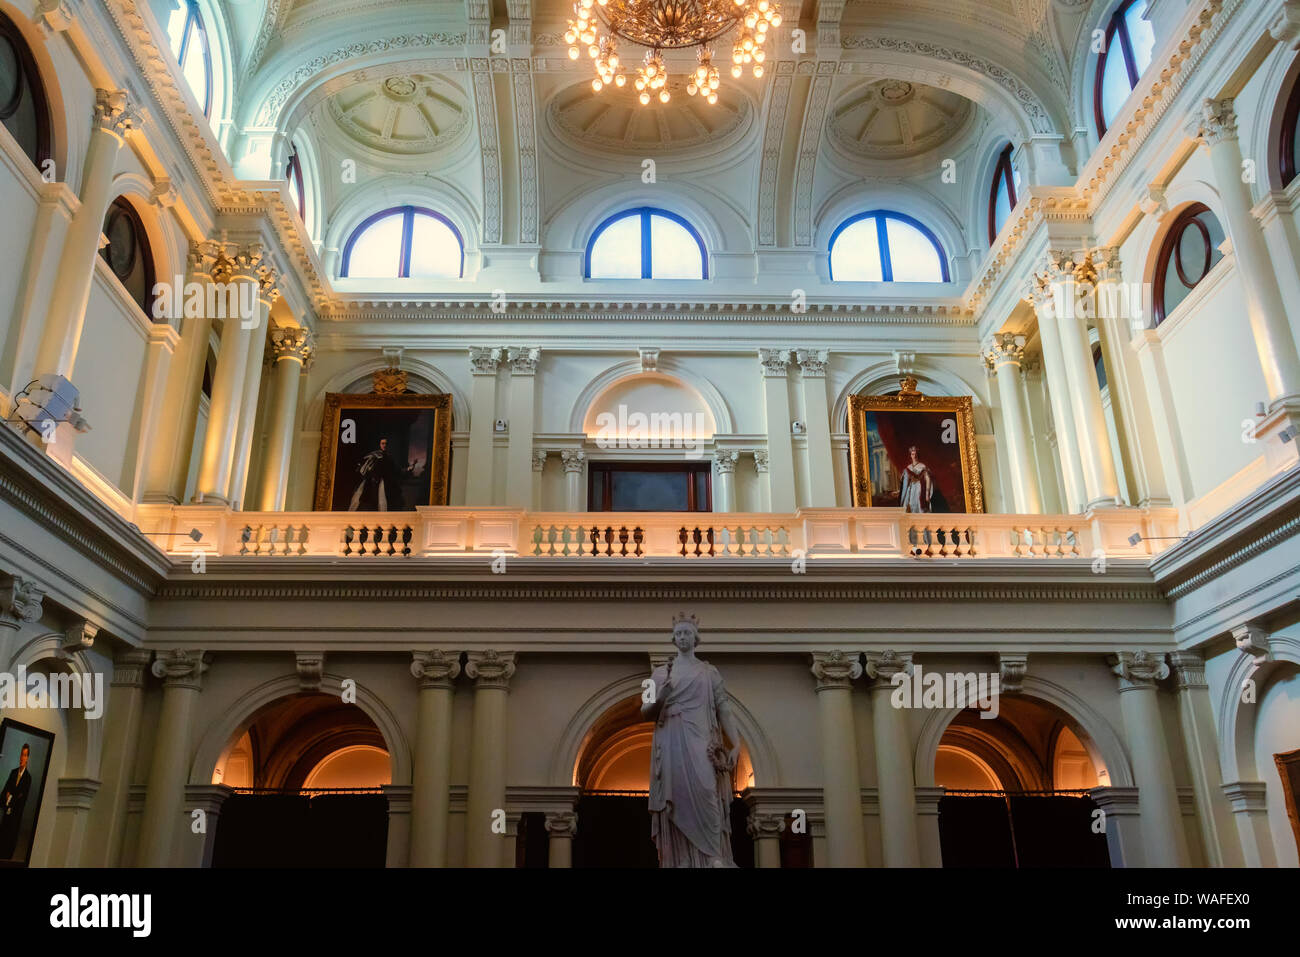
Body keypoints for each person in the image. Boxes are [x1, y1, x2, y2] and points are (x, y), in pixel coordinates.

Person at [641, 614, 742, 868]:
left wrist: (736, 743)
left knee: (708, 790)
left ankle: (713, 856)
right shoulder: (660, 673)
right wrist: (661, 695)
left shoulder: (709, 672)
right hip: (672, 739)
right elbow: (645, 711)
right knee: (676, 795)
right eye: (678, 634)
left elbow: (724, 708)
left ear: (695, 639)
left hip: (702, 740)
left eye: (687, 633)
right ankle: (680, 859)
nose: (683, 637)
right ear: (673, 639)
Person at [347, 437, 412, 511]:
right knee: (366, 504)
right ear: (379, 445)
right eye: (382, 443)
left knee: (384, 504)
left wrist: (407, 469)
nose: (384, 445)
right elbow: (365, 468)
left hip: (384, 484)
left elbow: (396, 470)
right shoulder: (373, 456)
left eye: (386, 444)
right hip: (372, 484)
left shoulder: (389, 457)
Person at [0, 744, 32, 859]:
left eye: (24, 755)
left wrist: (10, 797)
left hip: (15, 820)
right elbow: (4, 792)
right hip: (6, 818)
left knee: (8, 849)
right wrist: (10, 798)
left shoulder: (28, 778)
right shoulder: (13, 773)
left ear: (28, 757)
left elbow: (21, 800)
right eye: (21, 755)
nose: (22, 758)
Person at [898, 444, 938, 513]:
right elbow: (905, 482)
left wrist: (927, 493)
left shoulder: (922, 466)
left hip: (919, 489)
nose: (914, 456)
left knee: (919, 508)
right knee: (908, 507)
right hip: (910, 490)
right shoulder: (908, 467)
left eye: (916, 454)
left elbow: (928, 479)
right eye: (913, 454)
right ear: (911, 455)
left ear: (918, 455)